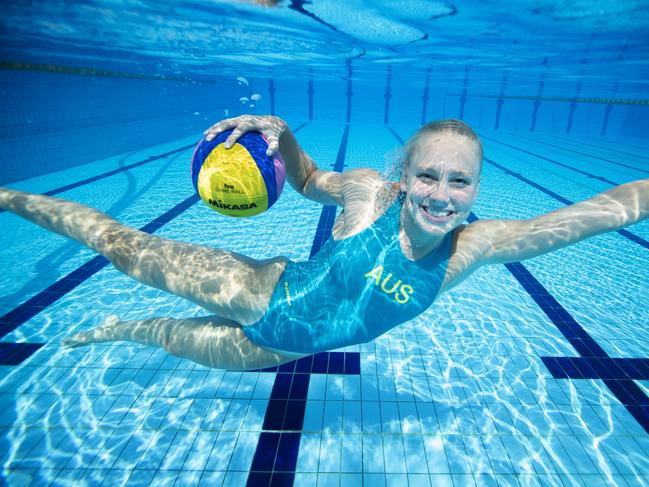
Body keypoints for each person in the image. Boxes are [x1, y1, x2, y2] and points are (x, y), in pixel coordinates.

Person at [1, 115, 647, 370]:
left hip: (272, 353)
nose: (441, 194)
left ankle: (115, 327)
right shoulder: (368, 194)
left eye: (459, 181)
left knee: (162, 334)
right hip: (253, 288)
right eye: (428, 174)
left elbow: (590, 217)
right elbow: (307, 179)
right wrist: (278, 134)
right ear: (404, 175)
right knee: (121, 247)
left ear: (475, 190)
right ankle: (8, 196)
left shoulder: (470, 248)